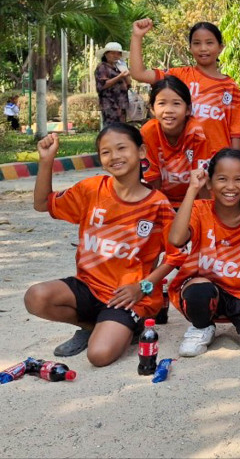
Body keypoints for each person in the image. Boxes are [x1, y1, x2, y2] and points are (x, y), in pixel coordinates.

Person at [25, 126, 176, 365]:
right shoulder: (91, 189)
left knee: (99, 355)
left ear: (141, 152)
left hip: (128, 296)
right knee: (36, 297)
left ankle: (130, 325)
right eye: (106, 152)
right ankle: (92, 326)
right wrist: (46, 160)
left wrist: (143, 287)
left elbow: (176, 255)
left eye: (122, 148)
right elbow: (42, 203)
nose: (114, 156)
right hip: (89, 286)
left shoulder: (158, 205)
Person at [165, 149, 240, 357]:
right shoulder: (199, 210)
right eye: (222, 179)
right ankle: (202, 327)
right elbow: (176, 239)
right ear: (209, 183)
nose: (230, 186)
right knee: (199, 292)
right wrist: (192, 190)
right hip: (205, 288)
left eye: (238, 179)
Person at [128, 18, 240, 150]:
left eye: (209, 43)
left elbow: (236, 131)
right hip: (183, 158)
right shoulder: (178, 76)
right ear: (190, 48)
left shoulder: (230, 86)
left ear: (220, 48)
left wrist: (234, 160)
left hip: (218, 158)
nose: (203, 48)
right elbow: (138, 73)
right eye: (197, 43)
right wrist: (137, 36)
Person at [140, 76, 213, 208]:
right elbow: (153, 180)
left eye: (176, 103)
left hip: (194, 200)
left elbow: (201, 180)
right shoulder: (148, 132)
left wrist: (205, 212)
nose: (168, 110)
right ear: (152, 108)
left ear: (188, 109)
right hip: (162, 201)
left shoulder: (197, 133)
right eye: (162, 103)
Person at [95, 41, 131, 125]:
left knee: (122, 128)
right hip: (110, 104)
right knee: (111, 128)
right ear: (106, 54)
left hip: (122, 104)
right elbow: (103, 85)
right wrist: (120, 76)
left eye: (118, 54)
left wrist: (126, 73)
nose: (116, 56)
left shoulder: (119, 67)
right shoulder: (102, 67)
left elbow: (129, 84)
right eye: (113, 53)